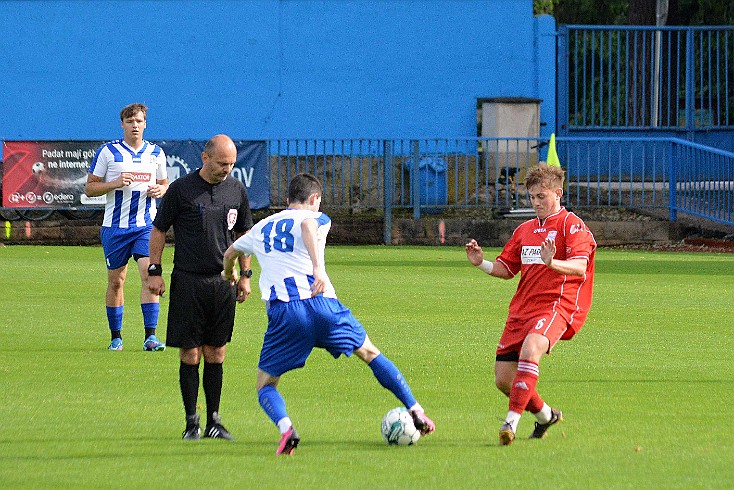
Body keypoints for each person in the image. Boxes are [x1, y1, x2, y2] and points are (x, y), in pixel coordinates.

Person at [221, 173, 435, 456]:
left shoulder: (261, 227)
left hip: (285, 313)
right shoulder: (317, 217)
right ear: (314, 199)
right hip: (323, 305)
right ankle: (416, 410)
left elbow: (230, 252)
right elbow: (308, 223)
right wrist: (318, 269)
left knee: (266, 384)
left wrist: (230, 273)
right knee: (370, 353)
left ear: (287, 200)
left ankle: (287, 429)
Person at [465, 164, 596, 446]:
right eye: (532, 197)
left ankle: (510, 422)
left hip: (557, 305)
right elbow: (507, 268)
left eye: (542, 197)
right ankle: (546, 415)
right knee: (503, 379)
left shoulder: (570, 225)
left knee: (532, 348)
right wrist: (482, 263)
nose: (536, 203)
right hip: (521, 309)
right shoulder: (525, 229)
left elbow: (579, 268)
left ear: (558, 193)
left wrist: (552, 262)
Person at [147, 134, 253, 441]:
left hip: (223, 283)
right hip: (188, 281)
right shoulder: (181, 190)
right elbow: (158, 230)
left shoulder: (236, 189)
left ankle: (214, 422)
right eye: (222, 163)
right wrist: (154, 271)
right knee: (190, 353)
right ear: (205, 158)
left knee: (217, 352)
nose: (227, 169)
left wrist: (245, 274)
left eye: (232, 164)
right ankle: (191, 422)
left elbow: (244, 233)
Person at [85, 103, 169, 352]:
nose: (135, 125)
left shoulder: (155, 153)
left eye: (139, 121)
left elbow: (165, 184)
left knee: (148, 275)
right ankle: (116, 337)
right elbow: (90, 188)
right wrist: (114, 183)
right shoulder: (108, 152)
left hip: (145, 226)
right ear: (122, 124)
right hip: (115, 228)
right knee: (117, 282)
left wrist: (161, 190)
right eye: (130, 121)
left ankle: (150, 337)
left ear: (145, 124)